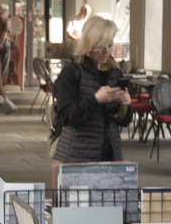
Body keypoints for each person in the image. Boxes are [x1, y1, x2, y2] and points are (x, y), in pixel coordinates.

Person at [51, 15, 133, 163]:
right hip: (78, 154)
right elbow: (66, 117)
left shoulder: (114, 73)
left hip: (111, 155)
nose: (106, 51)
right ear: (89, 44)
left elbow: (124, 121)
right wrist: (95, 100)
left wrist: (125, 105)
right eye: (101, 46)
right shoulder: (71, 73)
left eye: (109, 45)